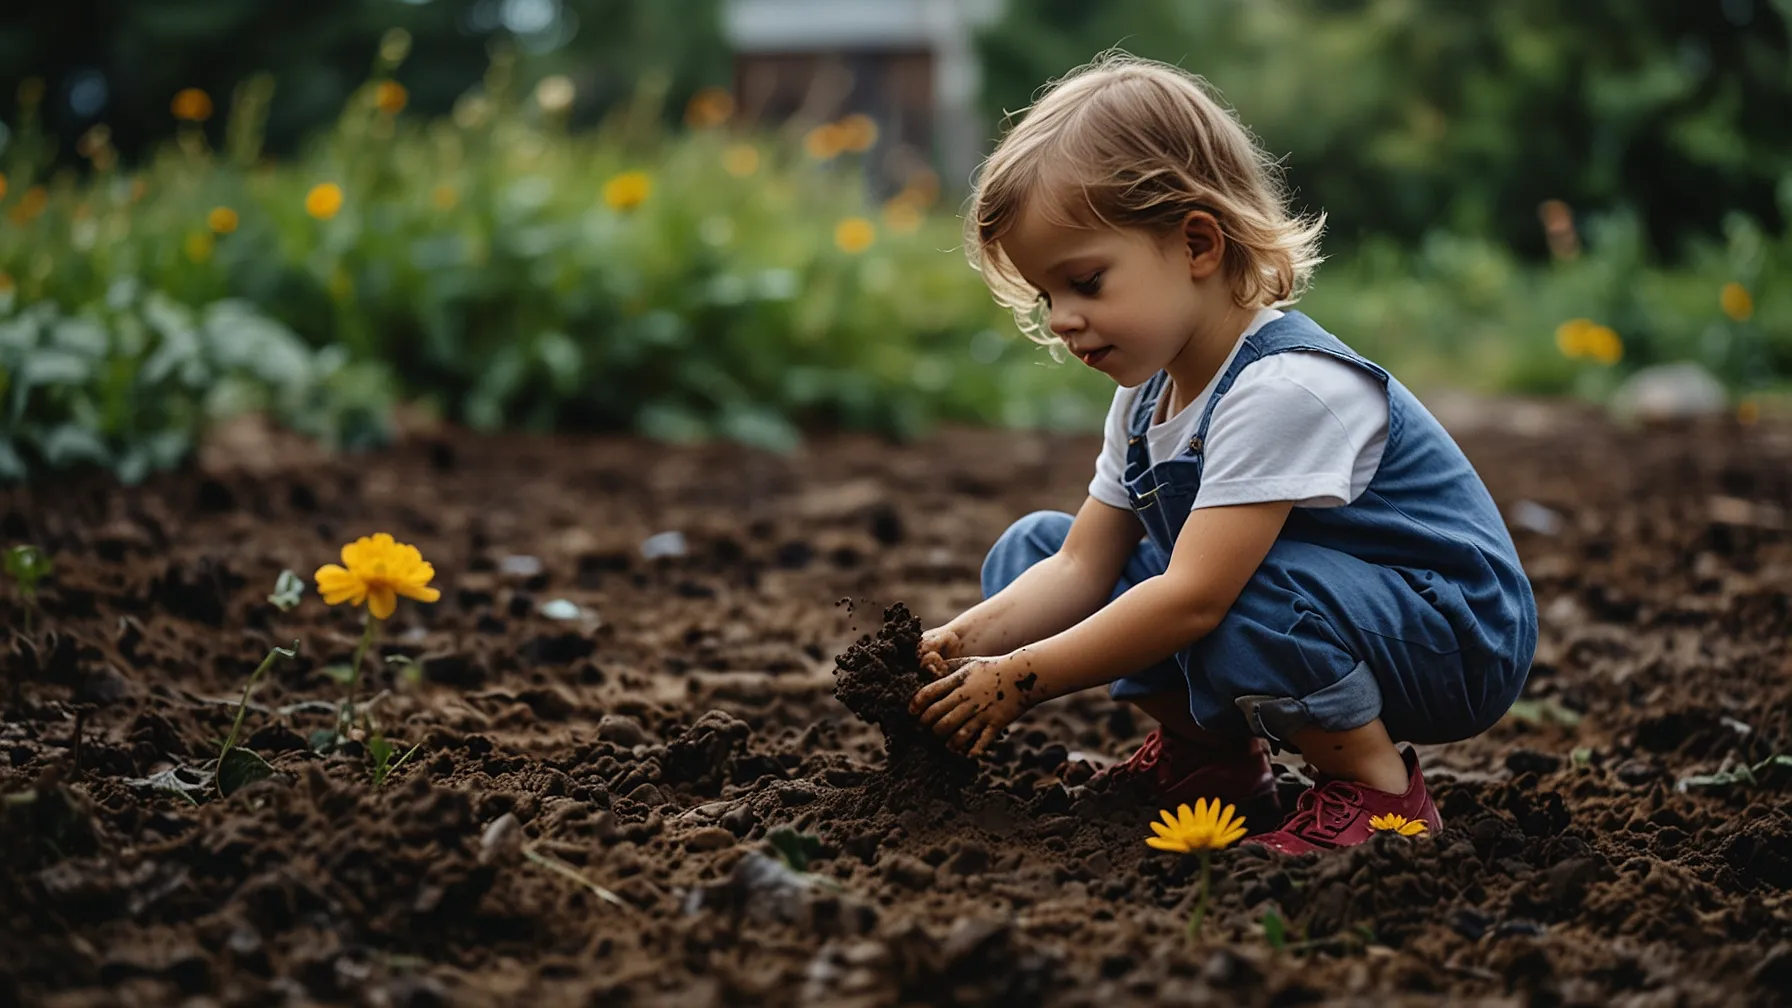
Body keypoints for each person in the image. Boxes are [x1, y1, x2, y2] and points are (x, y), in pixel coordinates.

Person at [907, 52, 1537, 854]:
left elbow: (1195, 600)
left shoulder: (1282, 387)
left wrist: (1022, 678)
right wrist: (959, 645)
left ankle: (1378, 792)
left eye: (1086, 282)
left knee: (1231, 594)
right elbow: (1079, 567)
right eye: (1046, 295)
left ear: (1197, 244)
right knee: (1031, 549)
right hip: (1324, 608)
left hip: (1450, 636)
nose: (1061, 319)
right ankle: (1213, 762)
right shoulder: (1146, 399)